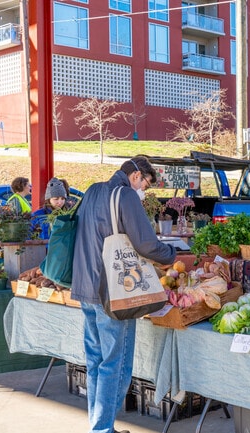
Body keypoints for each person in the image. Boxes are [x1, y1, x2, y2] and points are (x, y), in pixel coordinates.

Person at [71, 156, 176, 433]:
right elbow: (145, 244)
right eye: (146, 184)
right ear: (136, 175)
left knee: (95, 361)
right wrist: (173, 254)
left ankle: (99, 425)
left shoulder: (92, 190)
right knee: (114, 365)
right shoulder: (126, 196)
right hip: (113, 294)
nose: (144, 191)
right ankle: (102, 429)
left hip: (86, 287)